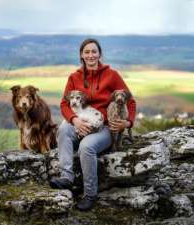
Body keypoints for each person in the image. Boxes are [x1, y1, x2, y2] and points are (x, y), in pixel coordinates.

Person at [49, 38, 136, 211]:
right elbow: (64, 105)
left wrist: (127, 123)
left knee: (86, 147)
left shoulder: (112, 75)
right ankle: (67, 177)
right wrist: (75, 120)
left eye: (94, 51)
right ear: (81, 55)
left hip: (105, 127)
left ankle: (90, 194)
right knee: (64, 129)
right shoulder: (74, 77)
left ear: (99, 54)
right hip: (81, 123)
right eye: (86, 52)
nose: (90, 55)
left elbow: (131, 101)